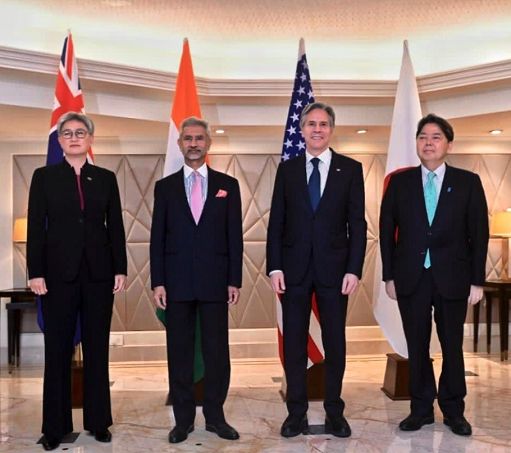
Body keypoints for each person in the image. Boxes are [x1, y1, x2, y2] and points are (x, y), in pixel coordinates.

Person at [379, 113, 489, 436]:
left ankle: (454, 410)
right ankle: (421, 409)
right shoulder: (399, 183)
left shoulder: (468, 182)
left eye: (436, 137)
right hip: (410, 277)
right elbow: (386, 232)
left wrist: (477, 280)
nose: (428, 143)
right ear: (416, 143)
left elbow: (479, 234)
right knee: (416, 345)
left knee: (452, 345)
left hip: (453, 278)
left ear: (448, 145)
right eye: (423, 137)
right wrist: (389, 276)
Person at [27, 112, 127, 451]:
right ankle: (55, 427)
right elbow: (35, 228)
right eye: (67, 133)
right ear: (59, 141)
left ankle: (99, 422)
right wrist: (35, 272)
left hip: (99, 275)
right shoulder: (44, 177)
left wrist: (120, 268)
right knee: (57, 350)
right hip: (57, 276)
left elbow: (115, 226)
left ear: (90, 139)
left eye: (80, 132)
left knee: (98, 349)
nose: (73, 137)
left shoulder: (106, 178)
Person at [266, 102, 367, 438]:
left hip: (336, 274)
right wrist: (274, 267)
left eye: (323, 124)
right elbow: (277, 222)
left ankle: (335, 412)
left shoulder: (350, 169)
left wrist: (354, 269)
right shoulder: (288, 170)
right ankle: (296, 414)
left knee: (335, 343)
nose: (317, 129)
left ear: (331, 129)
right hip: (293, 272)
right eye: (311, 124)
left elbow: (357, 224)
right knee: (294, 344)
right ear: (302, 129)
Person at [150, 116, 243, 444]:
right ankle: (183, 421)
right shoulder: (165, 188)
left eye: (199, 138)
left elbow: (234, 237)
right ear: (180, 144)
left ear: (208, 143)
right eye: (188, 138)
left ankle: (216, 418)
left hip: (216, 284)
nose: (193, 143)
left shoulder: (228, 185)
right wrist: (158, 282)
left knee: (217, 353)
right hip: (176, 285)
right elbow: (157, 239)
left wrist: (234, 280)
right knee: (180, 354)